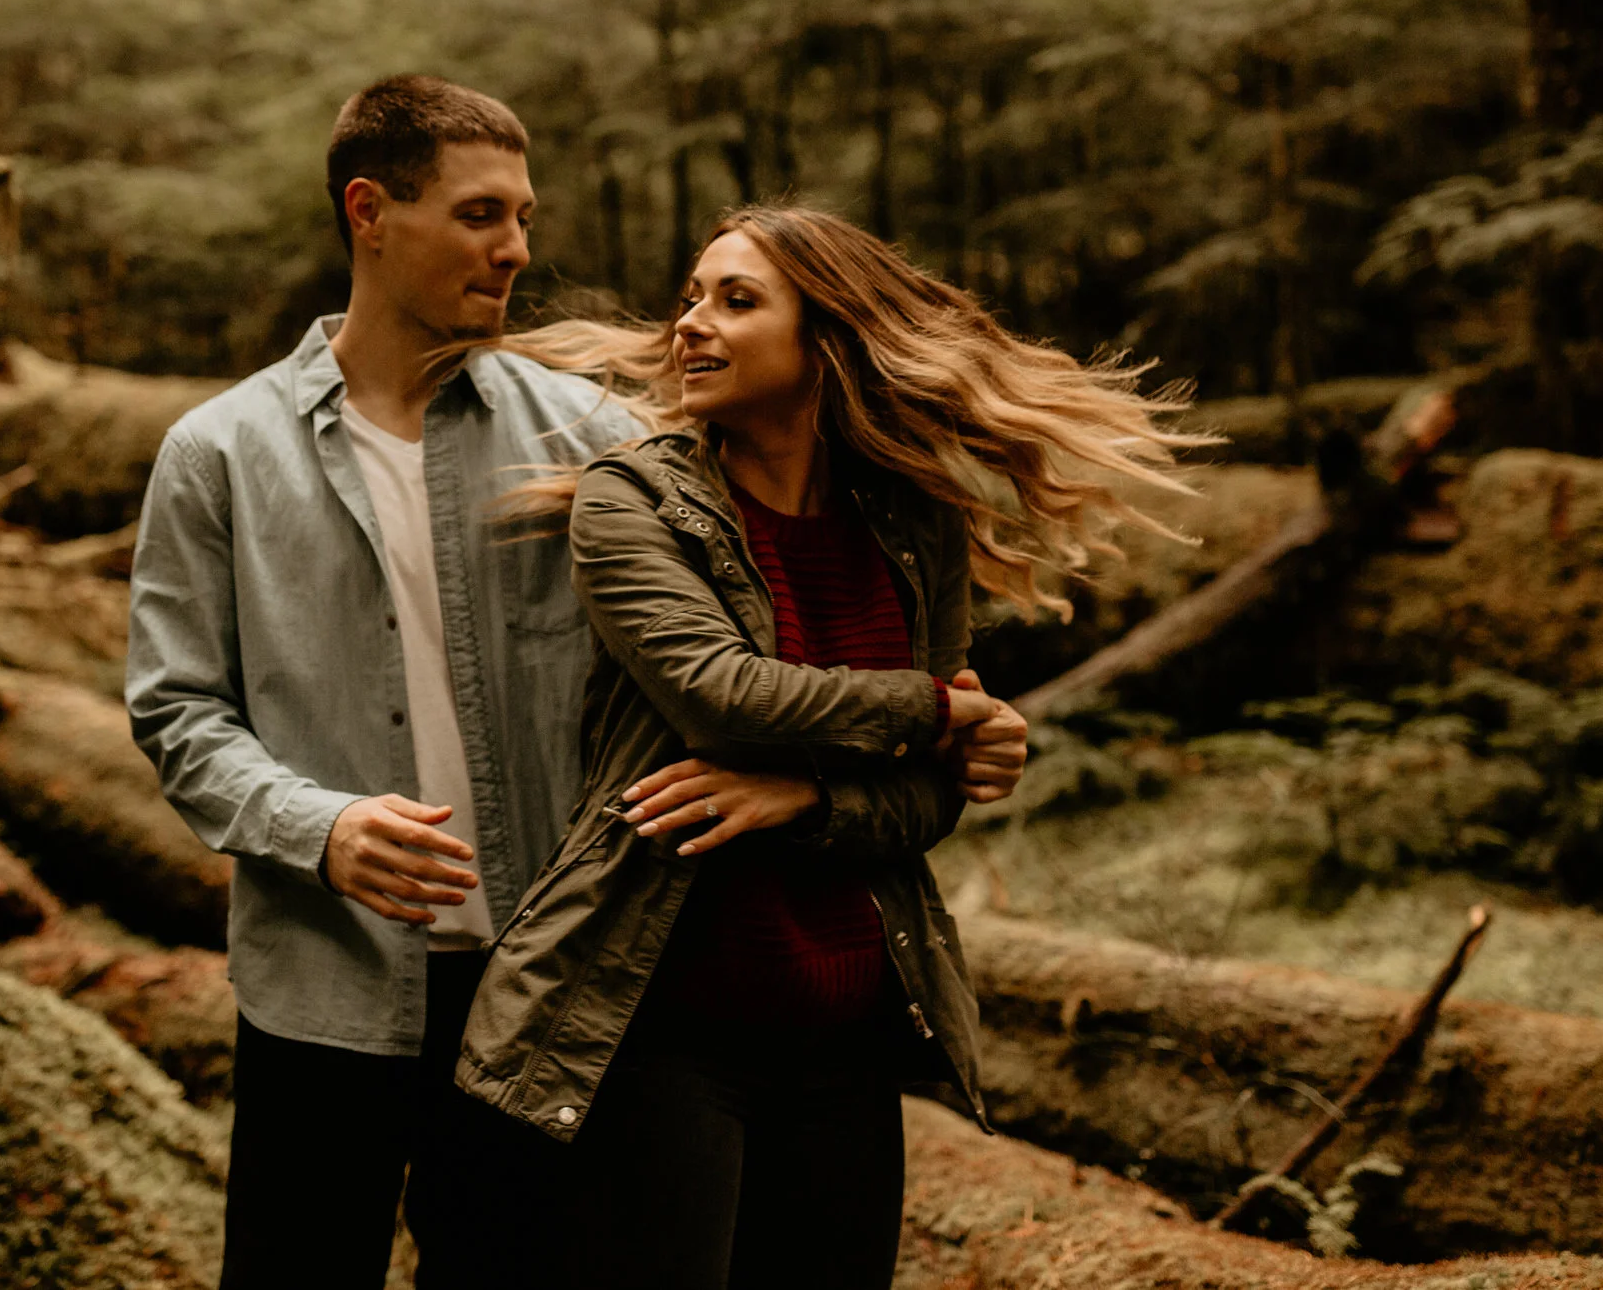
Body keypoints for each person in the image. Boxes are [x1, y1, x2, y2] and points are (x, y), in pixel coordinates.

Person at [456, 204, 1196, 1290]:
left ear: (828, 337)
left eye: (735, 300)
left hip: (844, 1030)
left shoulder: (910, 515)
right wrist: (940, 713)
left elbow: (931, 801)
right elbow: (724, 698)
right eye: (690, 299)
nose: (691, 326)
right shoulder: (633, 498)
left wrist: (803, 801)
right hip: (658, 1020)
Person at [125, 75, 640, 1290]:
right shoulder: (219, 452)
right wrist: (324, 823)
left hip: (538, 983)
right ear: (369, 209)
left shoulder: (592, 440)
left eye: (521, 215)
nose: (515, 248)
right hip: (324, 987)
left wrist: (917, 707)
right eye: (478, 215)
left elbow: (690, 663)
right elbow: (177, 710)